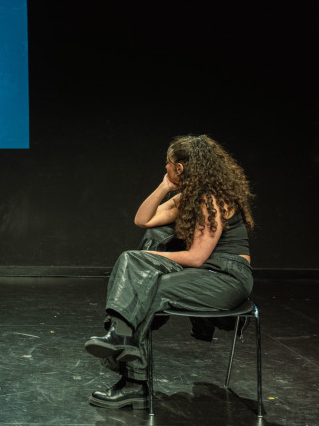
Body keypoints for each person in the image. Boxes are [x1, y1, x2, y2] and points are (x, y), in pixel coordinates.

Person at [84, 135, 254, 409]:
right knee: (131, 261)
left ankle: (133, 380)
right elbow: (143, 219)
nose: (165, 168)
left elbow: (197, 257)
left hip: (226, 277)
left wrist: (151, 256)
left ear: (180, 168)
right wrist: (164, 186)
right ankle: (121, 339)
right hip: (204, 272)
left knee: (148, 287)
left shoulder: (211, 200)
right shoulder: (188, 198)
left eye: (168, 164)